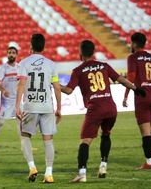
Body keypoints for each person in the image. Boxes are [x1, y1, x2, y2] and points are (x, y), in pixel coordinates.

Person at [60, 40, 145, 183]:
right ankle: (103, 166)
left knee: (85, 141)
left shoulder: (78, 71)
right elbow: (121, 80)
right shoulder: (104, 66)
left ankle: (82, 173)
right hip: (111, 108)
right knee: (106, 134)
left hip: (95, 108)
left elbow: (68, 90)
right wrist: (136, 89)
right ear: (93, 52)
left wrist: (54, 84)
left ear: (80, 53)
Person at [15, 34, 62, 183]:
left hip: (30, 105)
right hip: (47, 106)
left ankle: (32, 167)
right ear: (44, 46)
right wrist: (59, 108)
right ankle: (49, 173)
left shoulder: (24, 63)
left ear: (31, 46)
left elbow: (21, 84)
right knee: (48, 140)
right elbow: (57, 87)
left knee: (25, 136)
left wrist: (17, 105)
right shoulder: (51, 64)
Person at [123, 32, 151, 169]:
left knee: (145, 131)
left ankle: (149, 162)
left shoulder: (132, 58)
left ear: (134, 43)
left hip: (142, 96)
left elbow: (131, 77)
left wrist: (126, 95)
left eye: (131, 43)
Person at [0, 46, 20, 153]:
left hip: (17, 100)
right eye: (9, 52)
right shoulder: (3, 68)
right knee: (1, 122)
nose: (11, 54)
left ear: (16, 55)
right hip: (7, 101)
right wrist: (3, 90)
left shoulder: (20, 67)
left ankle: (24, 145)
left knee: (21, 123)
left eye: (13, 53)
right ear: (7, 54)